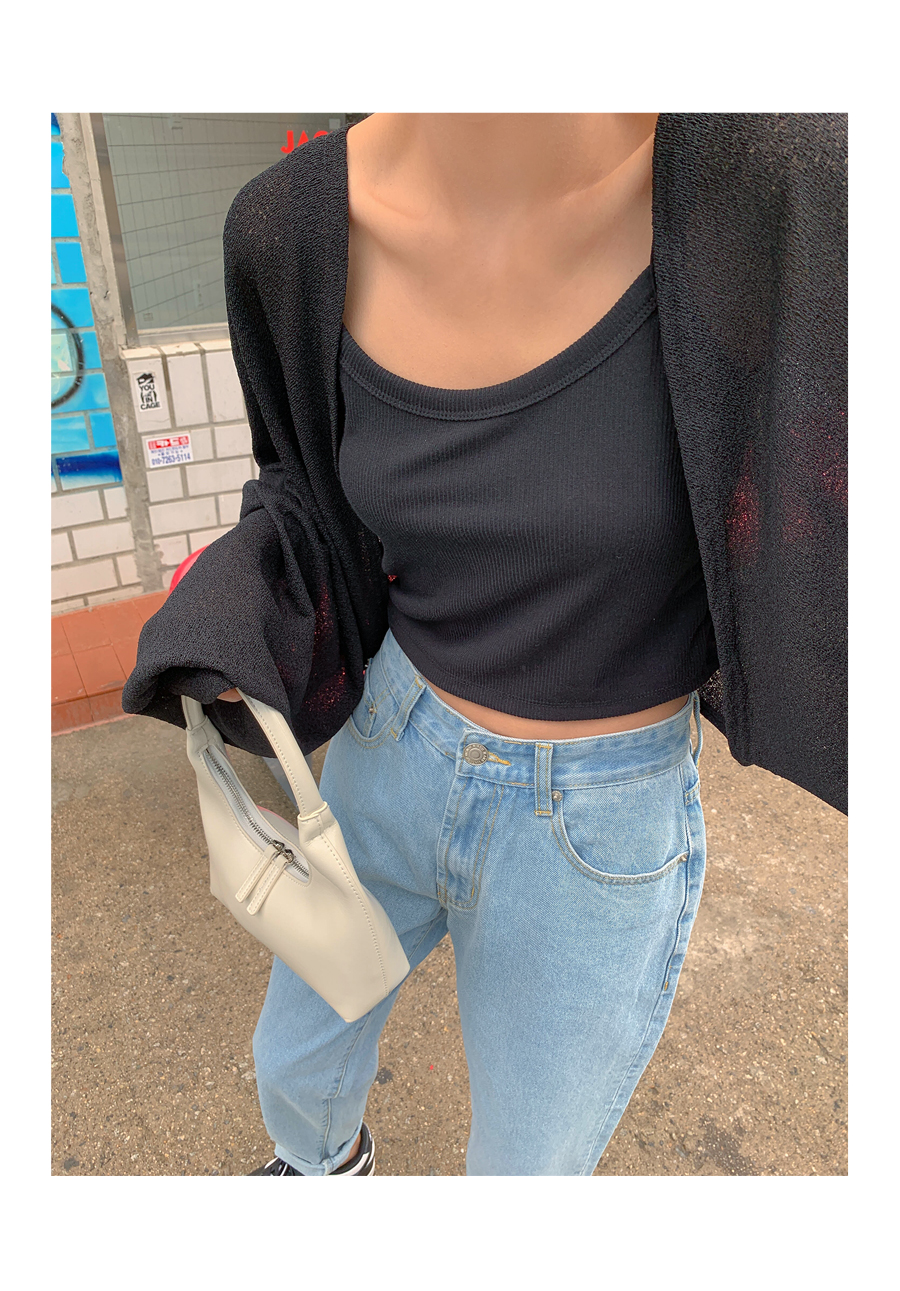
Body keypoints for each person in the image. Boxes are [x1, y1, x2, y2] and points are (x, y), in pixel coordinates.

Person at [122, 113, 847, 1176]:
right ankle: (325, 1166)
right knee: (293, 1062)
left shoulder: (779, 192)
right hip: (391, 737)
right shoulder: (290, 230)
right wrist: (240, 608)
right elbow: (305, 486)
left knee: (524, 1170)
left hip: (594, 818)